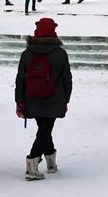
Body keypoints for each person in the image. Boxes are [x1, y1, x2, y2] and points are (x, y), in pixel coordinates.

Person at [15, 18, 72, 180]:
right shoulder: (60, 53)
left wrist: (19, 101)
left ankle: (51, 161)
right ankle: (32, 162)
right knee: (45, 130)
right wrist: (65, 99)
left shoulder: (27, 53)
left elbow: (20, 79)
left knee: (44, 129)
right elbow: (67, 78)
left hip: (32, 97)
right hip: (54, 97)